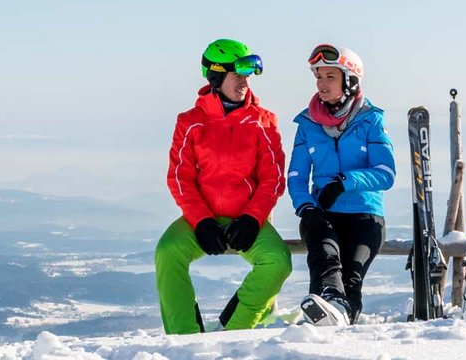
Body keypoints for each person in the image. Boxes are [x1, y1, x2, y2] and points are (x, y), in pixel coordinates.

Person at [155, 38, 292, 334]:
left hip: (246, 219)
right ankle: (184, 335)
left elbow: (273, 178)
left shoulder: (263, 122)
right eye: (237, 74)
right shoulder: (190, 122)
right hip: (200, 219)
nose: (244, 82)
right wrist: (201, 221)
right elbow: (180, 178)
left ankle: (234, 330)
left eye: (247, 74)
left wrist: (252, 219)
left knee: (278, 261)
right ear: (216, 76)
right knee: (167, 251)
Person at [286, 44, 395, 326]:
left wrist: (345, 182)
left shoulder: (371, 119)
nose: (321, 84)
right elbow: (297, 176)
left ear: (350, 80)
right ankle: (331, 305)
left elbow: (386, 172)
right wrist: (306, 206)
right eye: (318, 77)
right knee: (324, 256)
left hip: (364, 213)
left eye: (330, 77)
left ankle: (336, 314)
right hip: (322, 211)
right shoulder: (307, 124)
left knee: (351, 277)